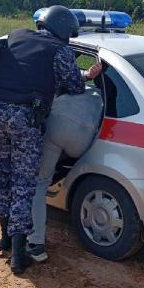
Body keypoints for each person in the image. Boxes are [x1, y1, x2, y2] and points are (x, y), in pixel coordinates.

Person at [0, 5, 102, 275]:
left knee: (2, 178)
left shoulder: (15, 35)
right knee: (24, 185)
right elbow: (74, 86)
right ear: (63, 31)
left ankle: (4, 238)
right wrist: (86, 75)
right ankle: (18, 256)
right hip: (25, 119)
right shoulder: (59, 50)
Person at [27, 87, 104, 262]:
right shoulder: (100, 96)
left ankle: (36, 242)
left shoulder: (72, 85)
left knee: (40, 182)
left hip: (58, 124)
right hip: (85, 138)